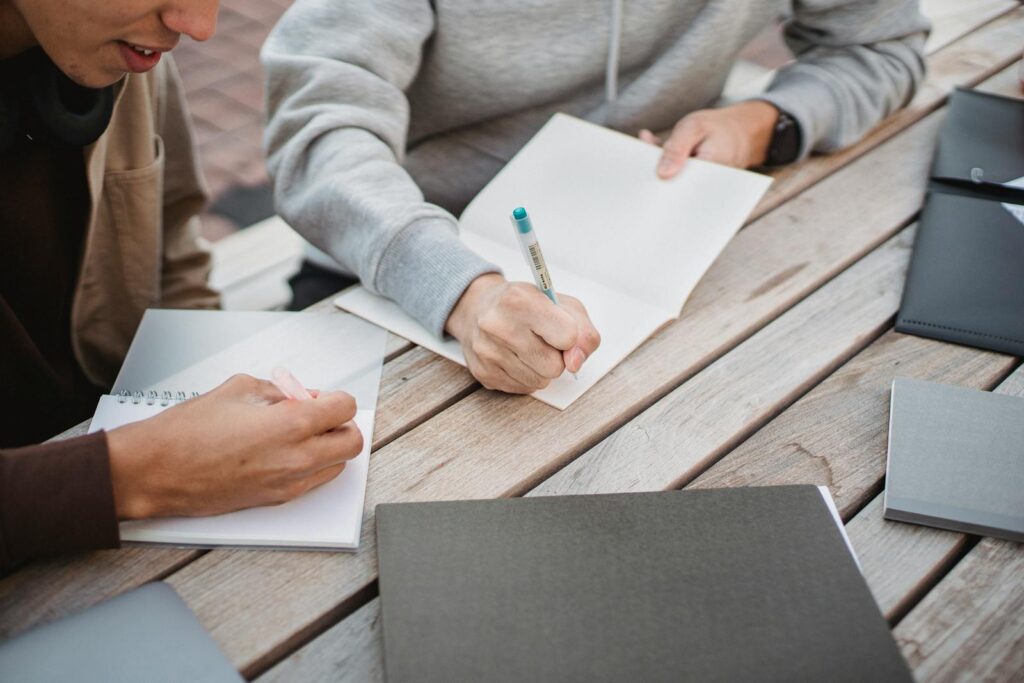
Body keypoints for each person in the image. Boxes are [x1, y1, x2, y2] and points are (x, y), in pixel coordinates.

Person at [261, 0, 928, 395]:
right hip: (397, 269)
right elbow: (319, 123)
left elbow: (882, 48)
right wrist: (460, 290)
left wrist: (760, 124)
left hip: (656, 252)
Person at [0, 0, 364, 571]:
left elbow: (174, 250)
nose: (199, 26)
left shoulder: (125, 54)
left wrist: (210, 387)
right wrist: (138, 474)